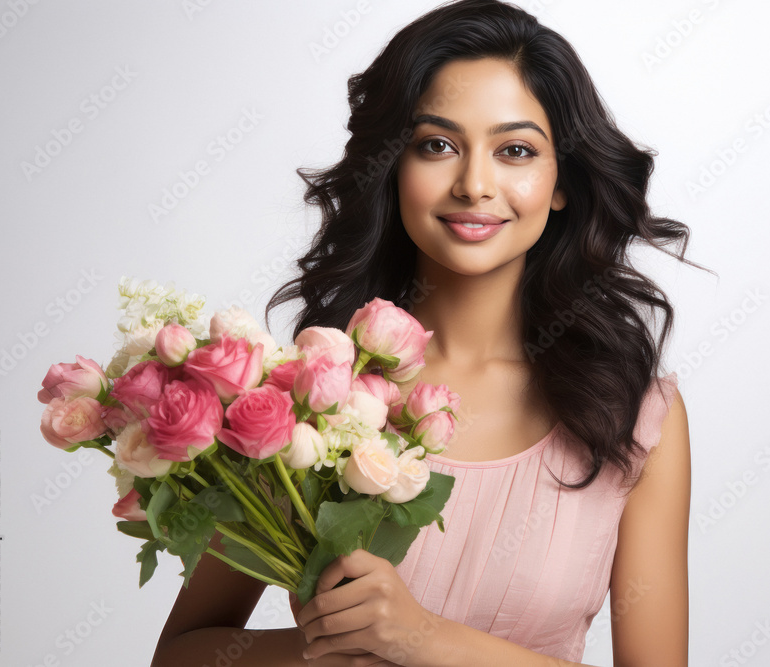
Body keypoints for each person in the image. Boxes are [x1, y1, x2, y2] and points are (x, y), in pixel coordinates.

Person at [152, 1, 707, 665]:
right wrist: (323, 647)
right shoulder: (305, 398)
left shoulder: (636, 419)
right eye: (437, 145)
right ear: (394, 163)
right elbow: (183, 655)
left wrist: (420, 638)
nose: (475, 184)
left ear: (562, 181)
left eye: (516, 151)